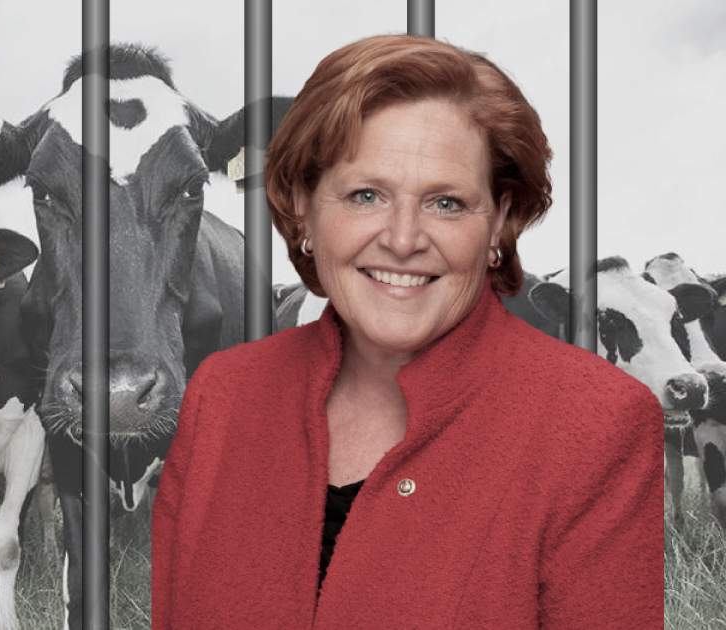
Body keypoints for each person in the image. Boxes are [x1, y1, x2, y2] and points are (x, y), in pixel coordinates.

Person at [151, 34, 661, 629]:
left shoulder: (598, 425)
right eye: (366, 195)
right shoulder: (223, 395)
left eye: (445, 203)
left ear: (499, 220)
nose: (402, 238)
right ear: (302, 207)